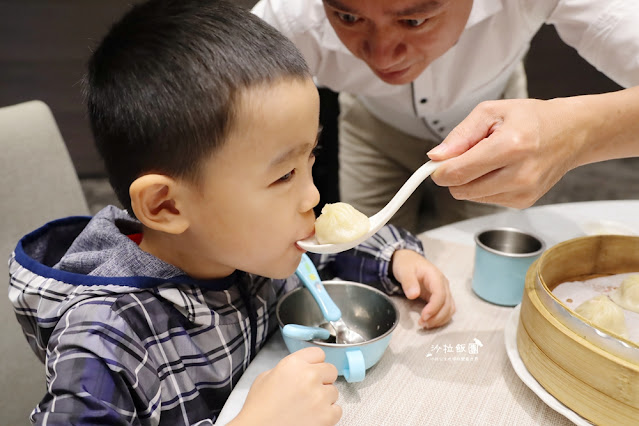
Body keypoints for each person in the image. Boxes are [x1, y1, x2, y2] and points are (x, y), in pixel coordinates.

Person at [7, 0, 455, 424]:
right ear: (166, 205)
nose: (312, 197)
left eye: (310, 160)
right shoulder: (105, 338)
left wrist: (394, 257)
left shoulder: (247, 245)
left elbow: (319, 255)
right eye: (283, 176)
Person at [252, 0, 639, 232]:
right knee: (368, 253)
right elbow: (208, 116)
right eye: (348, 17)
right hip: (373, 130)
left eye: (414, 20)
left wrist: (579, 133)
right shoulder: (289, 16)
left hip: (500, 131)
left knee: (482, 258)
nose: (383, 56)